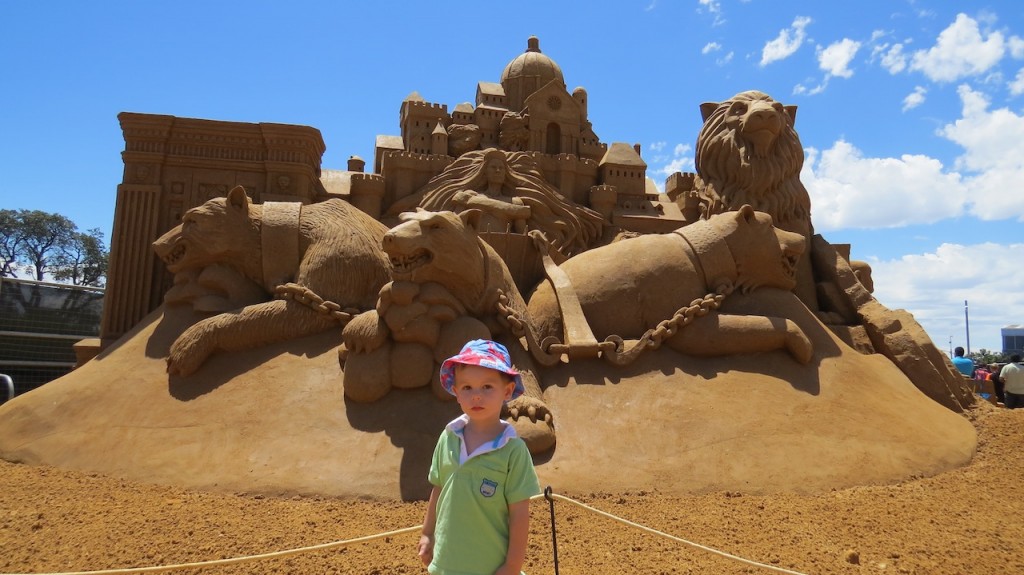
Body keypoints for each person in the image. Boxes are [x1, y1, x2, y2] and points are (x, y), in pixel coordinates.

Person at [418, 339, 541, 575]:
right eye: (467, 388)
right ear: (456, 392)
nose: (476, 396)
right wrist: (427, 533)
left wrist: (512, 566)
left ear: (506, 391)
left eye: (487, 387)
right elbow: (439, 489)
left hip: (491, 568)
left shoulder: (513, 451)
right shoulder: (448, 437)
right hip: (446, 563)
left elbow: (519, 514)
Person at [387, 148, 605, 257]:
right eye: (493, 167)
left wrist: (480, 203)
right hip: (471, 253)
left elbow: (522, 228)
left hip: (507, 254)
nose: (498, 171)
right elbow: (456, 225)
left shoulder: (511, 200)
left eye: (502, 167)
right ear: (484, 170)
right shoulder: (465, 194)